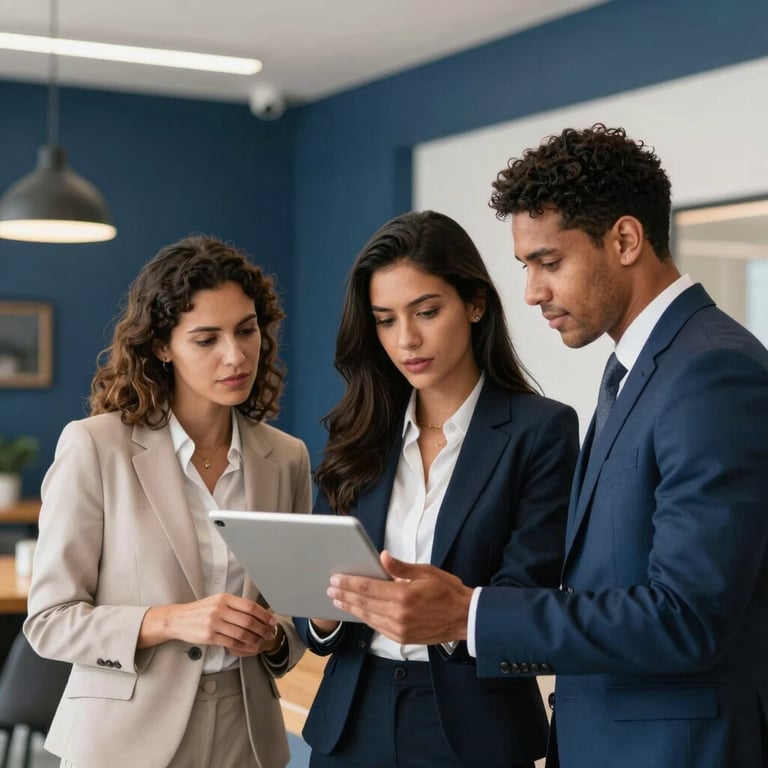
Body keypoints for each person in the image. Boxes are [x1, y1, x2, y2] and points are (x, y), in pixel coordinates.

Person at [325, 126, 768, 767]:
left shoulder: (709, 372)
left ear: (624, 239)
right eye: (526, 267)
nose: (531, 292)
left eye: (549, 263)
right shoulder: (643, 370)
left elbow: (686, 616)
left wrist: (467, 615)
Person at [294, 210, 579, 768]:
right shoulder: (355, 435)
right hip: (353, 719)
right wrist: (324, 615)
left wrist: (445, 619)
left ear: (474, 304)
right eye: (385, 320)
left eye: (426, 311)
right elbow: (316, 617)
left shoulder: (540, 431)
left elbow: (530, 593)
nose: (407, 340)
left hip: (475, 723)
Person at [24, 235, 312, 768]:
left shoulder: (286, 457)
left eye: (247, 331)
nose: (236, 354)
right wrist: (171, 621)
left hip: (246, 736)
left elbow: (291, 626)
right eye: (207, 339)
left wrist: (271, 636)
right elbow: (50, 620)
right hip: (121, 739)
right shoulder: (96, 446)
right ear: (162, 346)